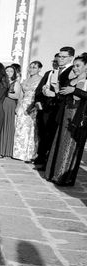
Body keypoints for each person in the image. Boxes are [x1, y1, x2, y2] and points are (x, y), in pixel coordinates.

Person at [44, 52, 87, 185]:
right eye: (74, 66)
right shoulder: (72, 80)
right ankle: (53, 173)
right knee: (60, 142)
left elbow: (80, 95)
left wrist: (74, 91)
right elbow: (63, 96)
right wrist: (57, 90)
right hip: (65, 113)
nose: (75, 68)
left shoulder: (85, 81)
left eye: (78, 66)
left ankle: (63, 176)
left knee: (69, 145)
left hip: (76, 116)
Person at [34, 47, 75, 168]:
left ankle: (49, 161)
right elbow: (40, 89)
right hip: (46, 107)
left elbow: (69, 90)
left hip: (60, 108)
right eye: (59, 56)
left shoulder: (72, 71)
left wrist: (55, 94)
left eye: (63, 57)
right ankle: (41, 157)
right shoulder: (51, 72)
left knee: (52, 135)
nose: (60, 59)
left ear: (70, 58)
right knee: (44, 133)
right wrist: (38, 101)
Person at [13, 61, 43, 162]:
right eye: (30, 67)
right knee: (20, 128)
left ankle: (30, 154)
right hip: (23, 104)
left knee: (31, 130)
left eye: (34, 67)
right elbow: (21, 94)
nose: (31, 69)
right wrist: (18, 106)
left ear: (39, 69)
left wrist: (32, 107)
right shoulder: (25, 80)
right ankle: (19, 153)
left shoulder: (41, 80)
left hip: (33, 105)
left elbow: (39, 95)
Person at [0, 64, 22, 158]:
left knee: (6, 126)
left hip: (9, 105)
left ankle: (4, 150)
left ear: (14, 73)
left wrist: (5, 93)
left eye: (11, 71)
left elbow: (16, 96)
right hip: (0, 104)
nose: (9, 73)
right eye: (7, 71)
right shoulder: (1, 81)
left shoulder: (15, 83)